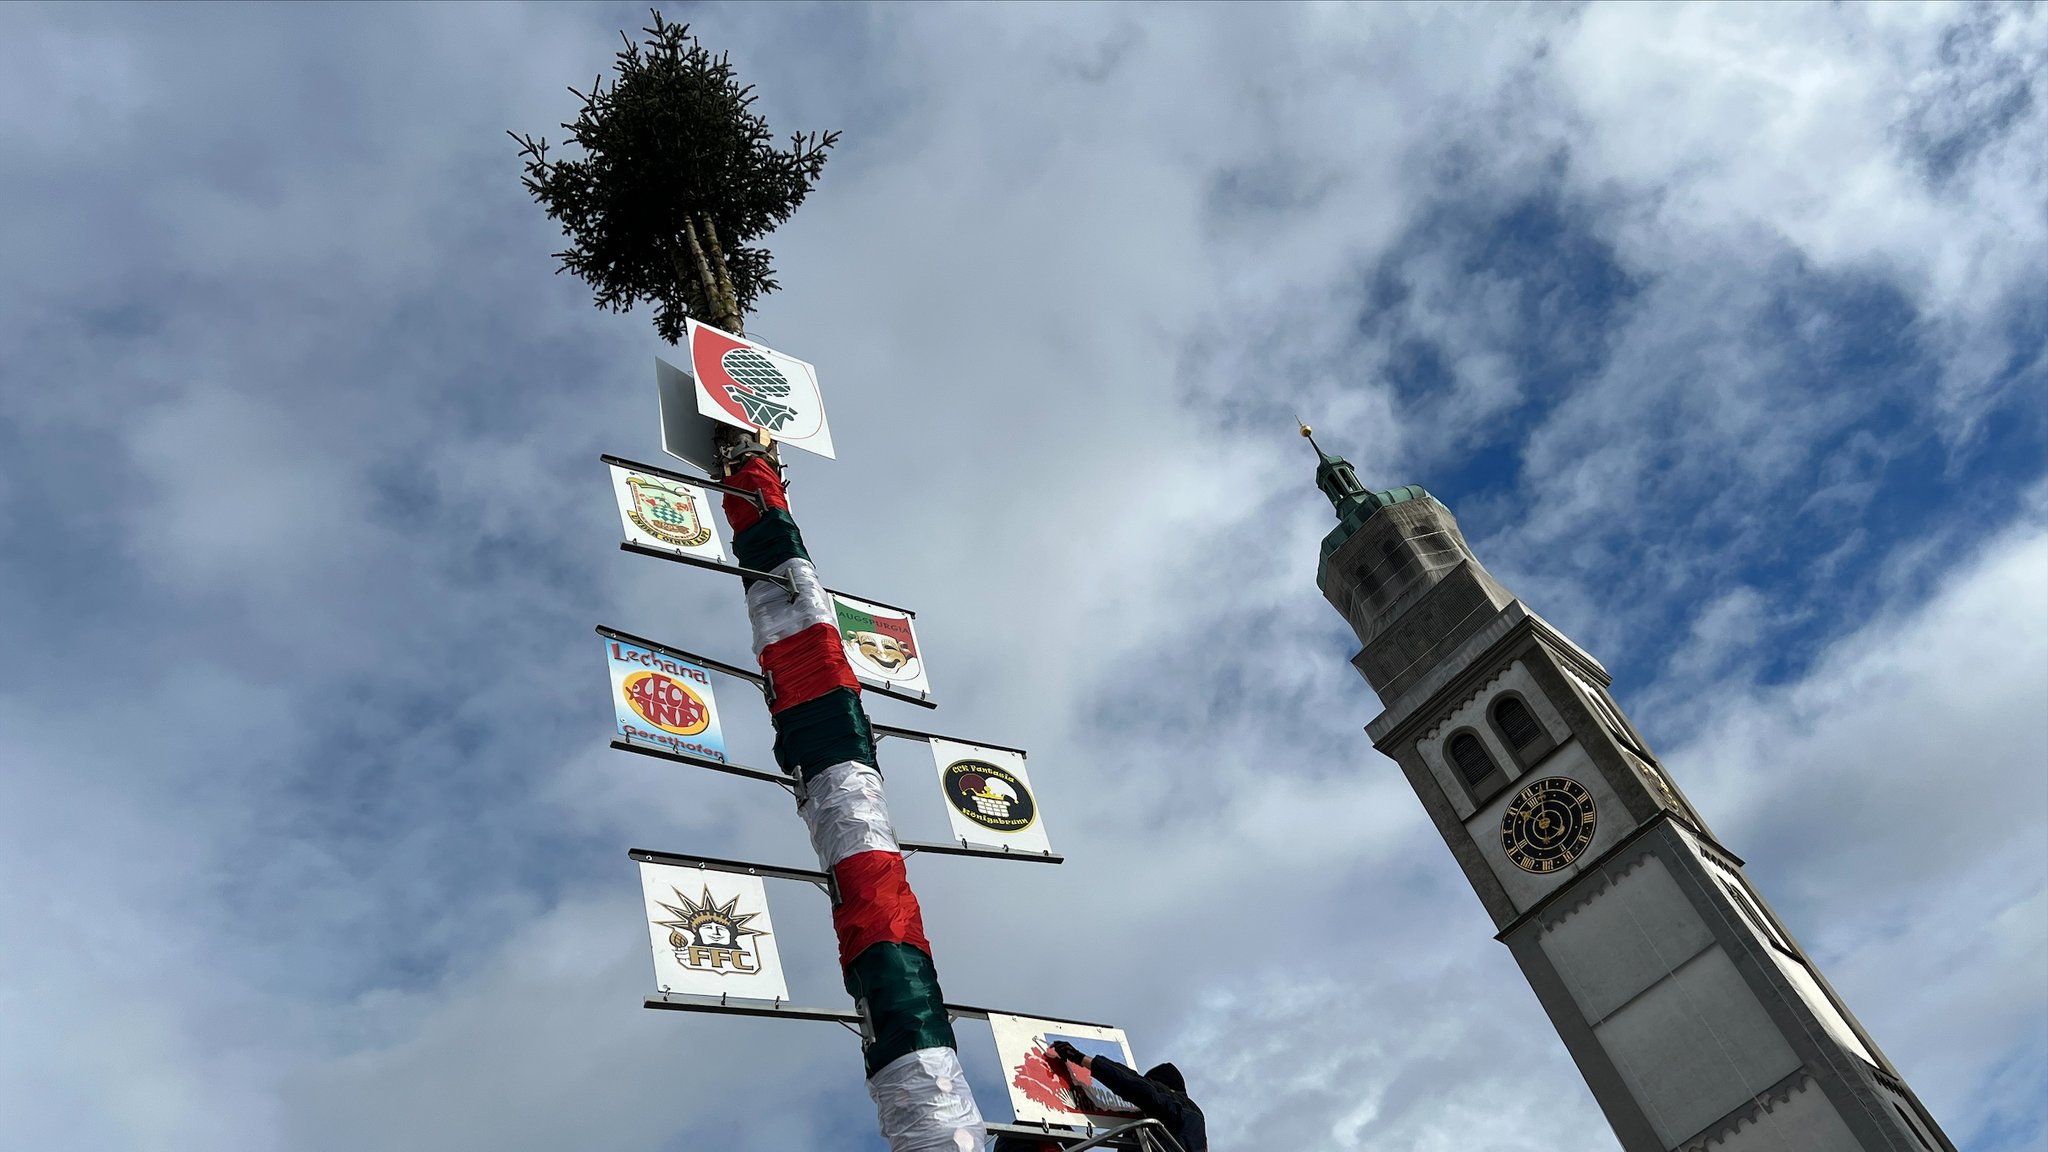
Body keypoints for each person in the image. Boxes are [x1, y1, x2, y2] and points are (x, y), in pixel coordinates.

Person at [1048, 1040, 1208, 1152]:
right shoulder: (1153, 1130)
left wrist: (1080, 1058)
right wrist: (1064, 1133)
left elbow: (1137, 1087)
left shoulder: (1177, 1104)